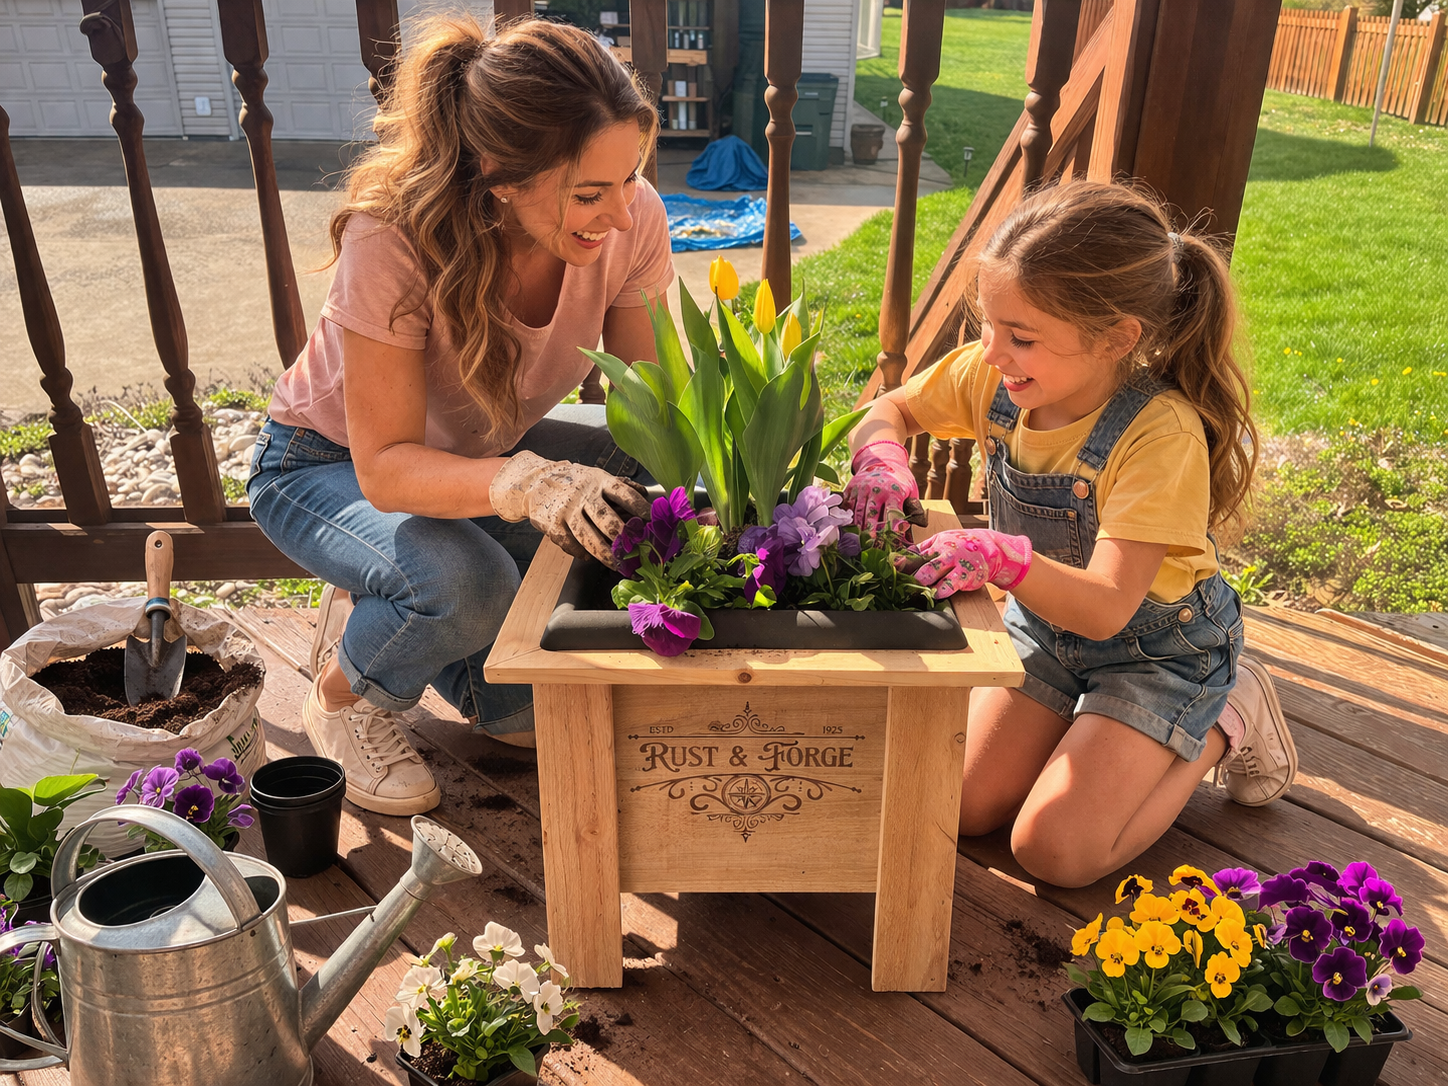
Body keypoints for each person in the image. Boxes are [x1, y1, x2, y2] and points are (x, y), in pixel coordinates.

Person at [247, 15, 673, 815]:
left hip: (481, 454)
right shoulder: (395, 237)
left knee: (524, 713)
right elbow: (385, 468)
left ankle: (434, 634)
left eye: (630, 179)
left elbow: (648, 405)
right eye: (591, 191)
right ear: (502, 175)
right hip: (325, 465)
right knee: (468, 582)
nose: (621, 215)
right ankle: (346, 696)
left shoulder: (629, 217)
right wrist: (529, 485)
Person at [844, 181, 1296, 888]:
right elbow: (889, 409)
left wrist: (1002, 559)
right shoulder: (997, 377)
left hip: (1158, 651)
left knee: (1055, 852)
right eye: (987, 325)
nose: (992, 352)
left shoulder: (1159, 433)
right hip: (1046, 635)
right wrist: (880, 456)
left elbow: (1110, 605)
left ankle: (1224, 722)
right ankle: (1086, 732)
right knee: (956, 804)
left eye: (1021, 337)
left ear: (1117, 338)